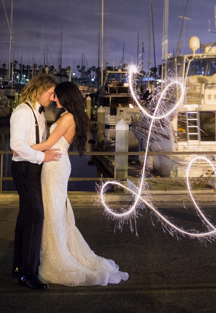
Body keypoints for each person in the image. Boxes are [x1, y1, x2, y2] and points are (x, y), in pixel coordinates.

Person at [30, 81, 128, 286]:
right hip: (54, 164)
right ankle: (56, 251)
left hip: (55, 166)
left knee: (54, 212)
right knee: (54, 210)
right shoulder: (66, 115)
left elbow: (48, 144)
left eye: (56, 95)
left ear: (66, 97)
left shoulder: (67, 118)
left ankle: (58, 257)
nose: (53, 98)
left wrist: (23, 147)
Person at [10, 73, 61, 290]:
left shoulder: (38, 113)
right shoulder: (22, 112)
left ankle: (19, 266)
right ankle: (27, 274)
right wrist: (42, 157)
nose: (52, 98)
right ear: (40, 90)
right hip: (24, 168)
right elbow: (17, 144)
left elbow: (37, 142)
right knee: (35, 216)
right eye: (50, 93)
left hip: (31, 168)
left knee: (26, 216)